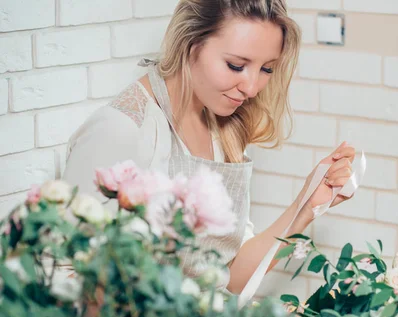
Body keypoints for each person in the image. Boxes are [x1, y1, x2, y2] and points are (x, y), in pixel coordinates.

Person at [62, 0, 357, 295]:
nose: (252, 87)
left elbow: (229, 276)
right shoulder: (121, 129)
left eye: (267, 69)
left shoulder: (224, 129)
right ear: (191, 46)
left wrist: (307, 205)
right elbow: (66, 273)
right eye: (236, 66)